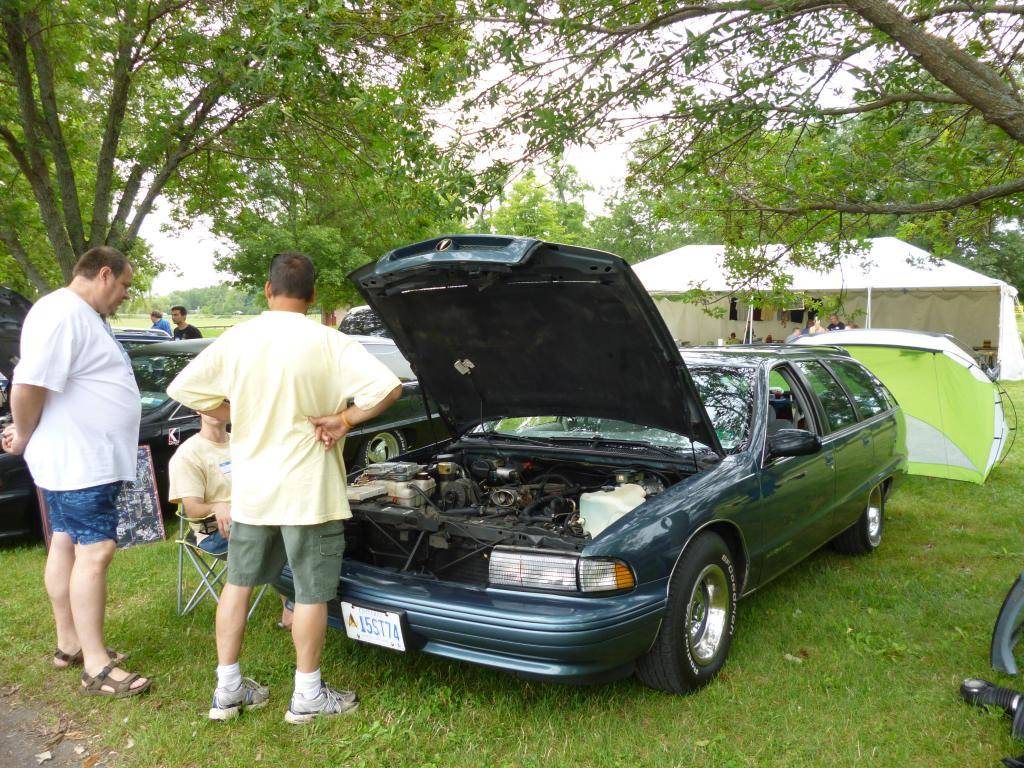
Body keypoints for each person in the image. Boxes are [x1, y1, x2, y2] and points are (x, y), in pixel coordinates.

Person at [167, 252, 402, 724]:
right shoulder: (328, 341)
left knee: (238, 584)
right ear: (313, 295)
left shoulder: (240, 337)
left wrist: (242, 414)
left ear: (267, 291)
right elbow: (388, 387)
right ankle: (308, 696)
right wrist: (345, 418)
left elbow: (186, 390)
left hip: (251, 489)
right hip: (309, 491)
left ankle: (227, 691)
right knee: (312, 593)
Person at [1, 246, 151, 698]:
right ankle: (97, 666)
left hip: (79, 460)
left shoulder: (79, 314)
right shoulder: (61, 312)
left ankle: (69, 643)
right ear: (103, 274)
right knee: (97, 551)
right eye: (124, 285)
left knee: (65, 541)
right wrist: (23, 436)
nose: (125, 295)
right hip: (79, 462)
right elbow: (28, 385)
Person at [169, 411, 295, 628]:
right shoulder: (188, 453)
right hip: (213, 530)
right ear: (199, 409)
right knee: (277, 537)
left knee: (297, 527)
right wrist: (217, 506)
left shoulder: (241, 443)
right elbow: (192, 509)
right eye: (210, 403)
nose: (216, 409)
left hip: (253, 516)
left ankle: (299, 602)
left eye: (223, 402)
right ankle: (291, 607)